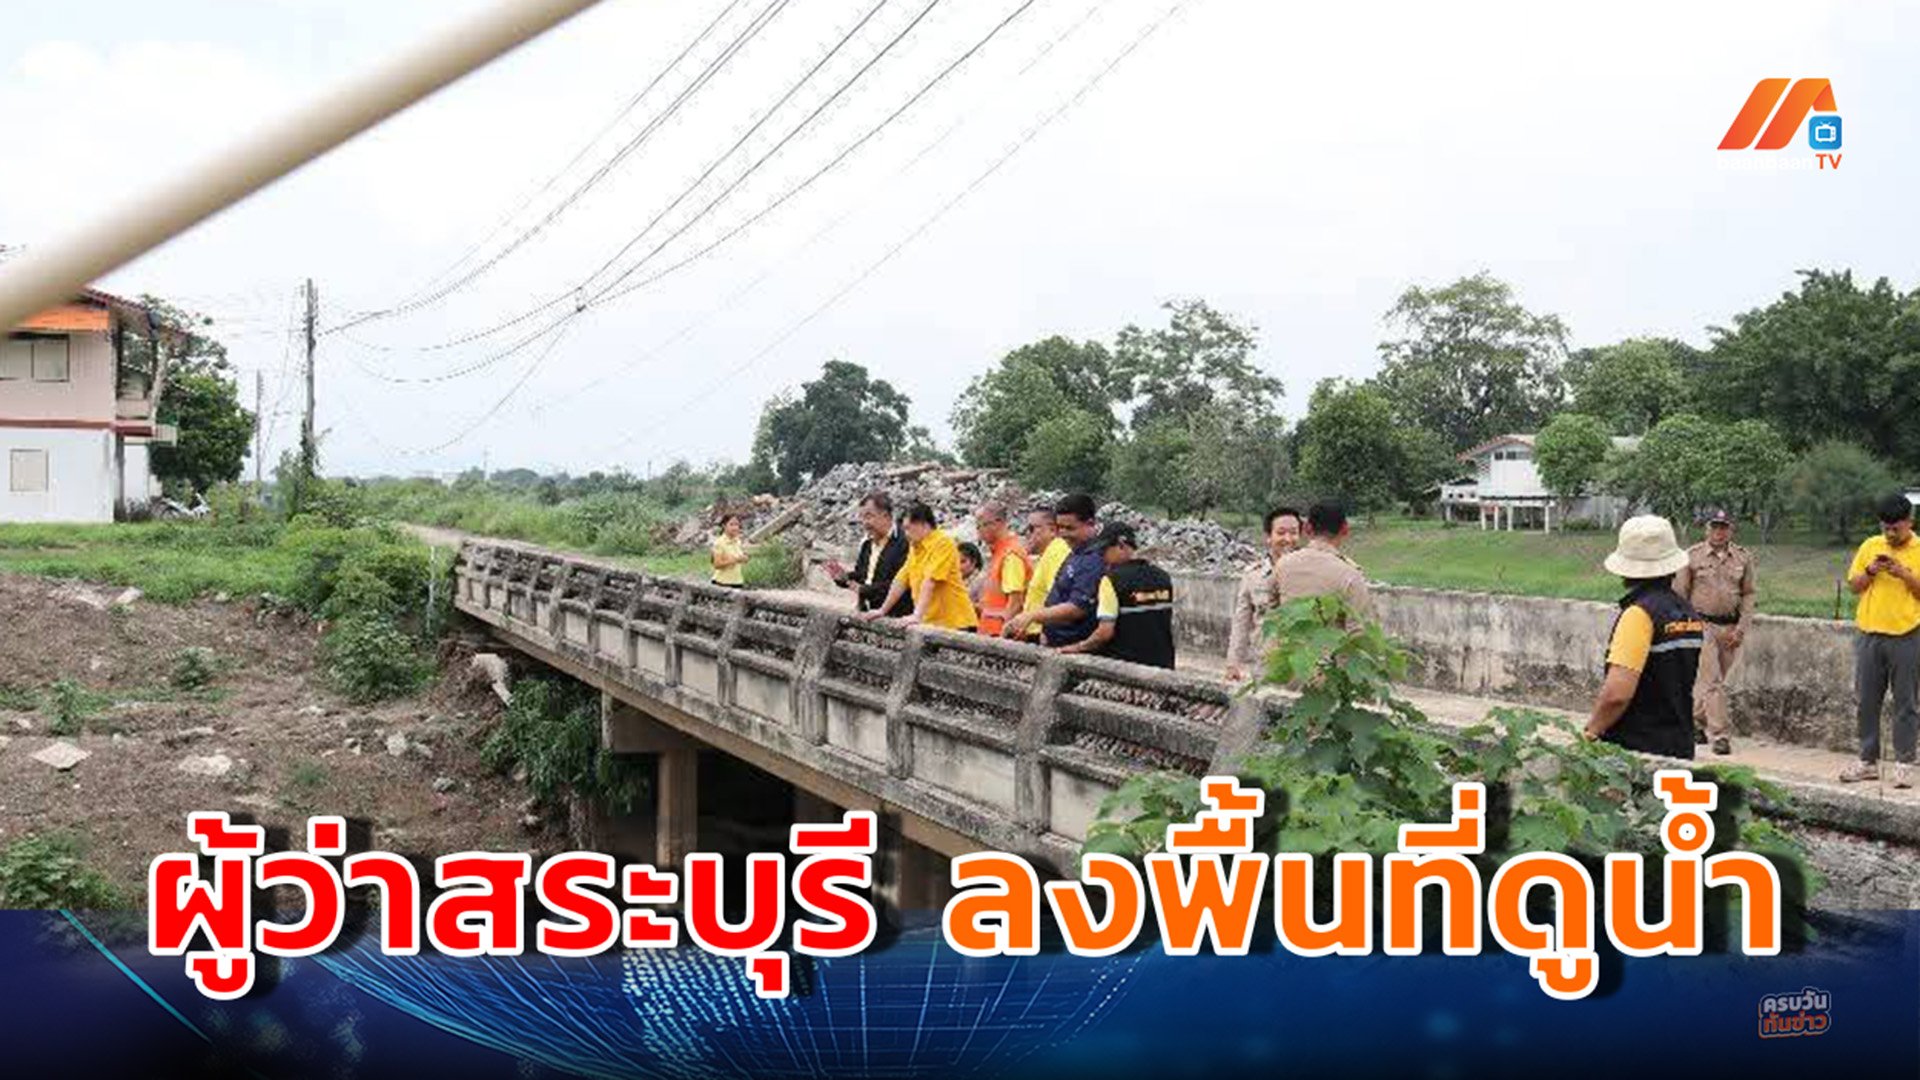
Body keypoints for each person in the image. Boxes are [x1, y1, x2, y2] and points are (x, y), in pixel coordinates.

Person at [1581, 515, 1703, 759]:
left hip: (1635, 752)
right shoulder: (1687, 613)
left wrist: (1591, 731)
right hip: (1679, 745)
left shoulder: (1639, 615)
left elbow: (1617, 694)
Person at [1839, 495, 1920, 787]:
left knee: (1906, 702)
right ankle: (1867, 761)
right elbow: (1854, 586)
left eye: (1896, 528)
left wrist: (1904, 574)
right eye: (1885, 528)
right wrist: (1871, 571)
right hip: (1869, 634)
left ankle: (1904, 763)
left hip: (1907, 635)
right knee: (1866, 701)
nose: (1890, 534)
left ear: (1909, 522)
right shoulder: (1870, 546)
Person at [1672, 508, 1756, 756]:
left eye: (1724, 527)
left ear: (1731, 530)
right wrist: (1685, 626)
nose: (1719, 532)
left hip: (1730, 627)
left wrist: (1741, 628)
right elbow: (1680, 594)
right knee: (1712, 681)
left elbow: (1749, 593)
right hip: (1702, 625)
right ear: (1707, 529)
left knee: (1718, 681)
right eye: (1715, 527)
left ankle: (1695, 722)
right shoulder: (1692, 556)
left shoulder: (1743, 557)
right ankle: (1720, 735)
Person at [1056, 522, 1176, 669]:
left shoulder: (1111, 580)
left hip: (1125, 668)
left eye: (1104, 551)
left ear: (1121, 545)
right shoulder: (1163, 577)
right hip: (1163, 666)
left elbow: (1104, 633)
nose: (1102, 557)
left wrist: (1078, 647)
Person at [1002, 494, 1103, 648]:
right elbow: (1056, 595)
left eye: (1070, 528)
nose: (1063, 534)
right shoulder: (1075, 553)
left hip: (1071, 646)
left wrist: (1031, 617)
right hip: (1052, 640)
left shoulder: (1092, 559)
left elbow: (1077, 607)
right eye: (1060, 528)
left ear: (1090, 524)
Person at [861, 502, 978, 632]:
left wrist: (917, 615)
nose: (906, 534)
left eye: (908, 528)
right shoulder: (915, 547)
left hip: (955, 622)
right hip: (933, 622)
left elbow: (930, 581)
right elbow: (901, 580)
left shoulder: (943, 543)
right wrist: (883, 610)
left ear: (923, 524)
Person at [1225, 506, 1304, 681]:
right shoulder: (1252, 575)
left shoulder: (1312, 573)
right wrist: (1233, 662)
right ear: (1268, 537)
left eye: (1293, 533)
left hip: (1303, 671)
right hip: (1265, 669)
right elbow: (1241, 621)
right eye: (1281, 533)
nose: (1288, 539)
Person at [1272, 502, 1373, 620]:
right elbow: (1358, 627)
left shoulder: (1283, 565)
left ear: (1307, 528)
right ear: (1345, 529)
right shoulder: (1350, 574)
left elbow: (1271, 613)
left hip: (1290, 631)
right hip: (1329, 632)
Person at [828, 491, 911, 617]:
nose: (864, 522)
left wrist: (865, 590)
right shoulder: (867, 543)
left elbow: (902, 582)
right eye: (862, 517)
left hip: (895, 616)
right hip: (867, 613)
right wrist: (843, 578)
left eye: (868, 516)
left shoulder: (905, 542)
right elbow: (862, 574)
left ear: (886, 516)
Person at [1008, 505, 1071, 641]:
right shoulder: (1049, 553)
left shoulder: (1056, 552)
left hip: (1042, 632)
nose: (1027, 534)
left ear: (1052, 530)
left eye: (1032, 528)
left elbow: (1057, 596)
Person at [972, 501, 1031, 637]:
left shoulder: (1011, 555)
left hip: (998, 634)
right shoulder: (1000, 552)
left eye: (982, 525)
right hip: (989, 632)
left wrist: (1003, 636)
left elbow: (1015, 602)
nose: (979, 533)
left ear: (998, 523)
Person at [710, 513, 749, 588]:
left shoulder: (737, 541)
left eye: (737, 525)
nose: (735, 528)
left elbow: (741, 557)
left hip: (737, 581)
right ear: (724, 526)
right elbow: (717, 564)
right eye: (731, 525)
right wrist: (735, 560)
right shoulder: (720, 542)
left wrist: (744, 558)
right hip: (722, 583)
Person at [958, 541, 986, 612]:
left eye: (963, 561)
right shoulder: (959, 579)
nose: (958, 566)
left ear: (974, 562)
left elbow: (985, 607)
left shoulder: (982, 580)